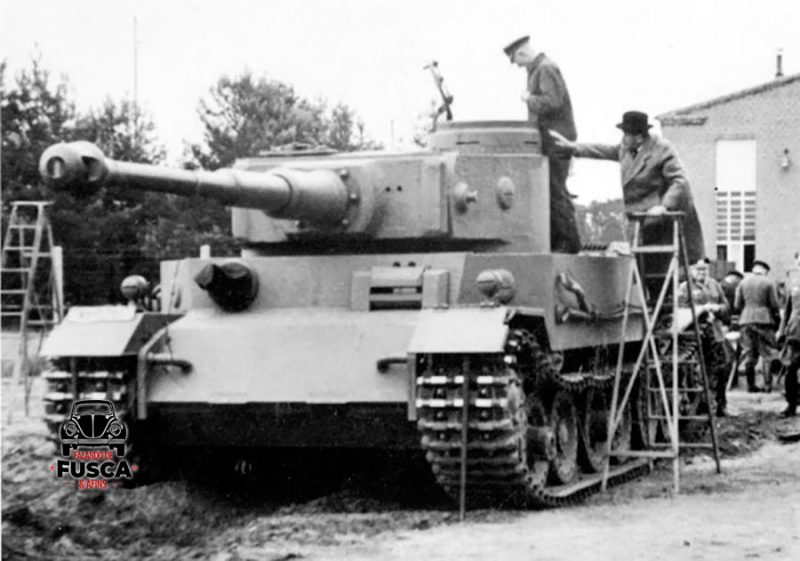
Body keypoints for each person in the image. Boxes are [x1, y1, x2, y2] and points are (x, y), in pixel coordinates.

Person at [550, 111, 705, 299]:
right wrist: (572, 148)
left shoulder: (662, 149)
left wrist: (663, 207)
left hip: (662, 221)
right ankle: (648, 305)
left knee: (659, 269)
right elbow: (602, 150)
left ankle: (663, 307)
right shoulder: (625, 149)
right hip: (639, 220)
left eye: (627, 134)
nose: (623, 138)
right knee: (640, 268)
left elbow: (679, 181)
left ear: (639, 137)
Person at [503, 35, 581, 254]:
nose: (517, 65)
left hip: (557, 138)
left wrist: (529, 99)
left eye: (516, 60)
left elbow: (552, 102)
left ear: (521, 53)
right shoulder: (539, 69)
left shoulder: (545, 69)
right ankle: (558, 240)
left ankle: (568, 241)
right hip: (551, 137)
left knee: (555, 188)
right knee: (550, 188)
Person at [678, 258, 731, 416]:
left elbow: (726, 306)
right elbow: (681, 310)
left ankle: (721, 405)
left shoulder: (714, 284)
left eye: (704, 269)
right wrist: (701, 310)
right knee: (699, 373)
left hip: (716, 333)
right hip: (695, 336)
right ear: (691, 270)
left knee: (722, 368)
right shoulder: (685, 287)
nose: (701, 272)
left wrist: (717, 308)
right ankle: (703, 405)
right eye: (698, 269)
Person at [734, 260, 782, 393]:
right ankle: (767, 385)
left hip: (745, 320)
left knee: (749, 353)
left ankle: (750, 386)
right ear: (764, 271)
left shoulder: (743, 282)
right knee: (767, 353)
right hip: (764, 320)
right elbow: (774, 304)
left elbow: (737, 305)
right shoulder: (768, 282)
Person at [777, 251, 800, 416]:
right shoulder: (794, 284)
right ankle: (791, 405)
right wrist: (781, 330)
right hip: (795, 332)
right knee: (790, 369)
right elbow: (787, 310)